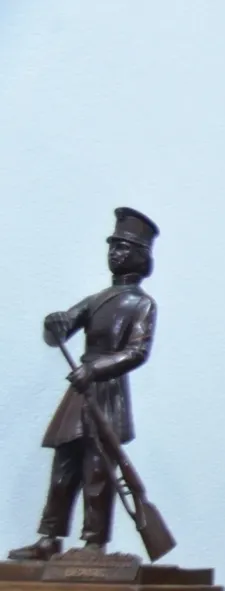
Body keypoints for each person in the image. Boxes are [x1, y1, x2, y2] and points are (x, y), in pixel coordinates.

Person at [8, 207, 159, 561]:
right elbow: (58, 333)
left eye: (122, 248)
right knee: (63, 469)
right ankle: (49, 537)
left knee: (97, 471)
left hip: (107, 393)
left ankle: (94, 542)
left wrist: (95, 370)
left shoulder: (142, 304)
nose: (114, 254)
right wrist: (55, 323)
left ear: (140, 256)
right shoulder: (96, 300)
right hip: (80, 392)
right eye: (112, 247)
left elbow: (137, 352)